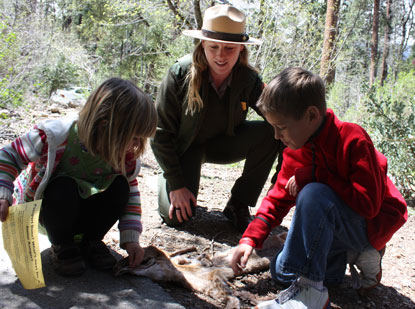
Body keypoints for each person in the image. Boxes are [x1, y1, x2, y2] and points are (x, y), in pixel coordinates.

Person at [230, 67, 408, 308]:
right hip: (336, 231)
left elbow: (368, 205)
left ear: (311, 115)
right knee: (282, 272)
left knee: (313, 192)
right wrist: (250, 239)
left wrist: (317, 176)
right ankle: (347, 258)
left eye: (281, 127)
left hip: (369, 226)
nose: (275, 136)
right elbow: (277, 197)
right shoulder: (296, 146)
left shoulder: (352, 139)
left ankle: (311, 290)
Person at [0, 78, 157, 277]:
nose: (136, 146)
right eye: (133, 137)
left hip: (83, 213)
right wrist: (3, 192)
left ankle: (90, 242)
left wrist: (131, 238)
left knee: (121, 187)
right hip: (50, 211)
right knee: (62, 187)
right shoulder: (54, 136)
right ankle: (62, 245)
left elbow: (131, 195)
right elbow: (8, 156)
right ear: (104, 125)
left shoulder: (123, 156)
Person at [150, 4, 283, 232]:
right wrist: (177, 184)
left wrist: (283, 177)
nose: (220, 56)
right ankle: (173, 187)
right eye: (213, 47)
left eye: (229, 48)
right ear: (203, 44)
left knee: (270, 131)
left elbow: (281, 120)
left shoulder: (248, 80)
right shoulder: (179, 74)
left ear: (241, 49)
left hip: (224, 145)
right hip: (186, 150)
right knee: (176, 218)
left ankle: (238, 203)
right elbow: (159, 135)